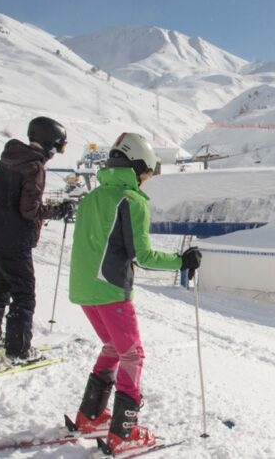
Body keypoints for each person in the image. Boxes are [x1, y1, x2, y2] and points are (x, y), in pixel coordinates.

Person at [68, 133, 202, 455]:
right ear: (137, 165)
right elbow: (144, 256)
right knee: (132, 355)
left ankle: (90, 416)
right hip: (111, 291)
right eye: (148, 172)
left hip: (85, 289)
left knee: (114, 347)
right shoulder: (132, 200)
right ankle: (123, 432)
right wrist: (182, 261)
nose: (147, 179)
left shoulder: (92, 197)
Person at [0, 117, 71, 362]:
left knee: (2, 283)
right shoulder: (33, 167)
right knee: (24, 292)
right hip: (13, 239)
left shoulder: (10, 157)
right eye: (58, 148)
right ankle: (18, 350)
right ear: (50, 144)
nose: (55, 154)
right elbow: (29, 210)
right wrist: (57, 210)